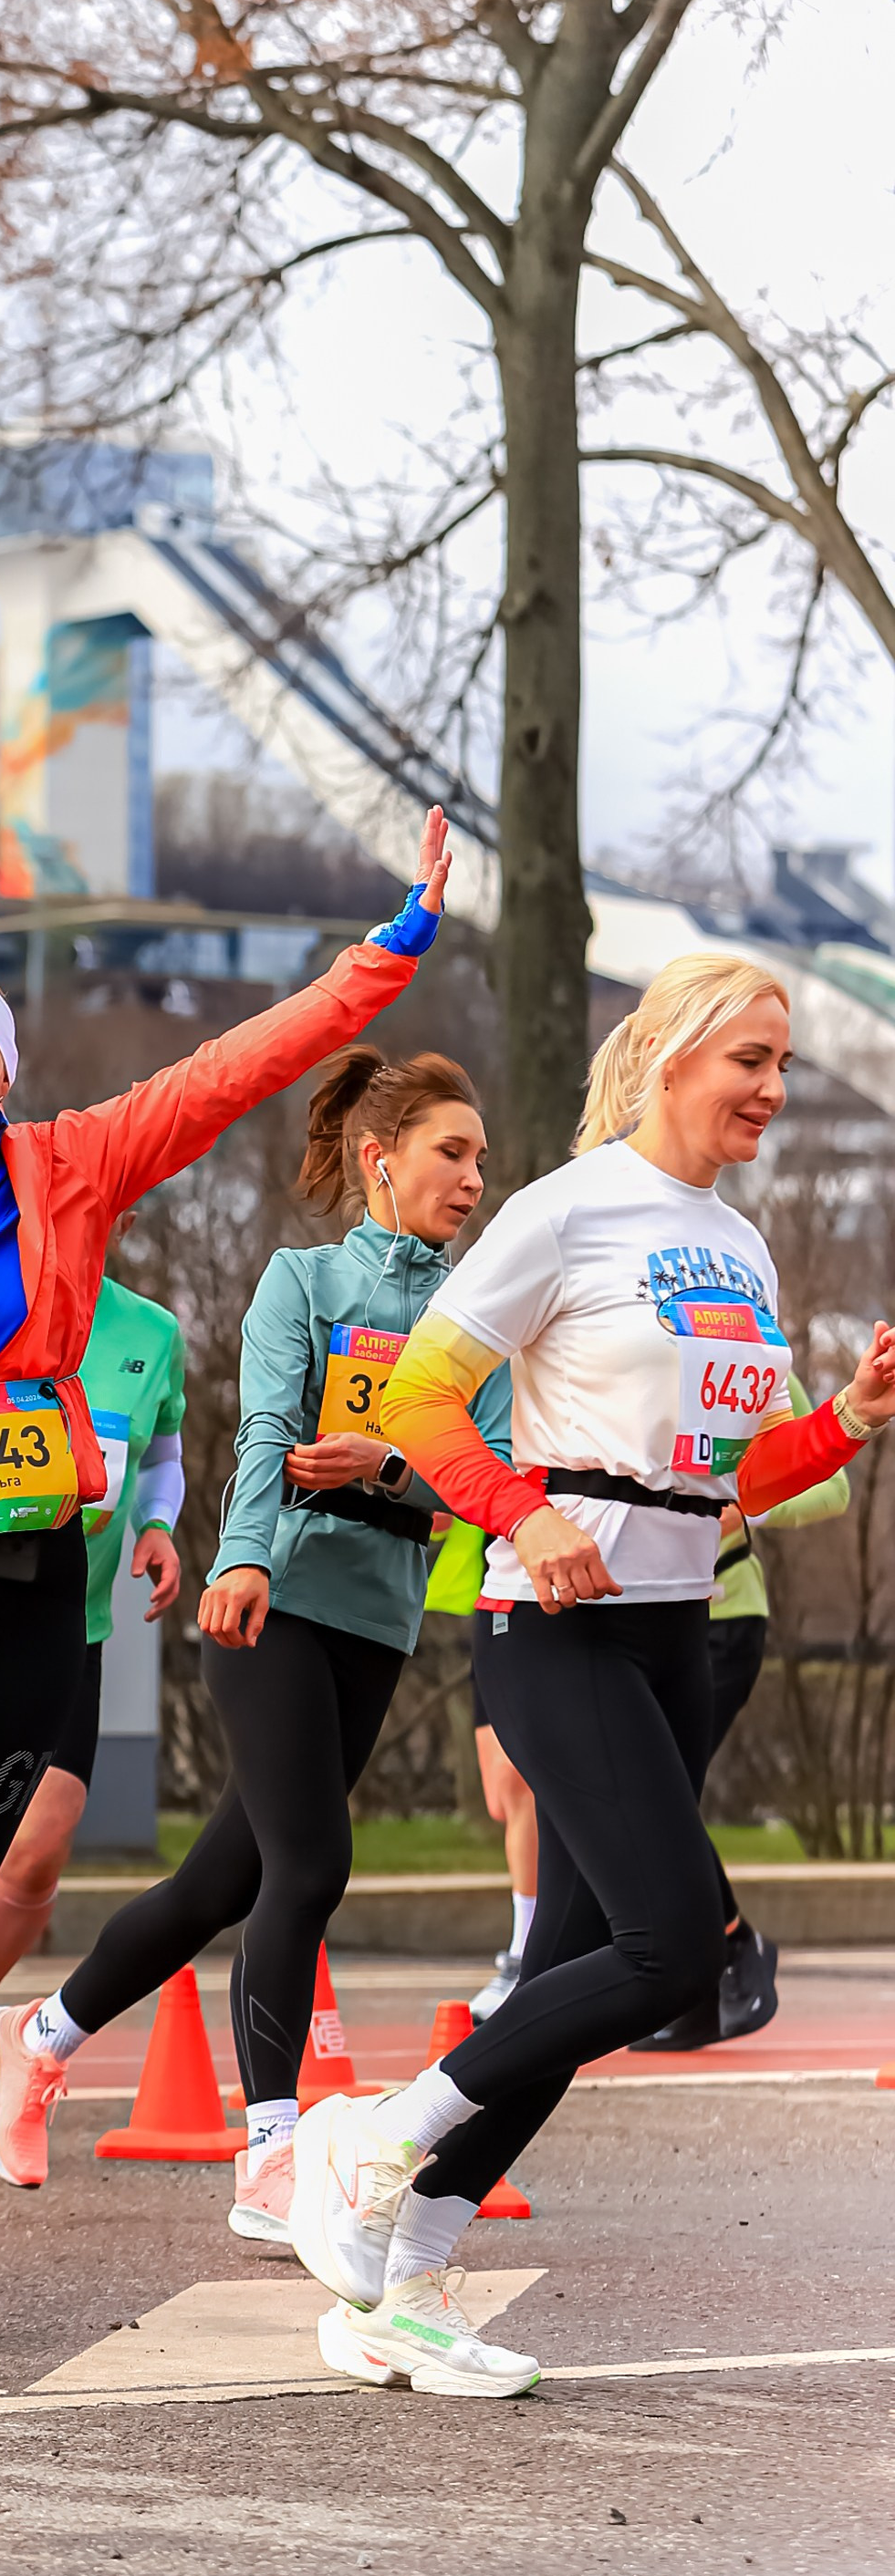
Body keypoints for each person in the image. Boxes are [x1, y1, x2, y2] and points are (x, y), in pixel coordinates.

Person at [0, 807, 453, 2318]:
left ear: (5, 1071)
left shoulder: (72, 1167)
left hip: (37, 1562)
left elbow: (231, 1070)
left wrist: (387, 955)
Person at [288, 955, 895, 2400]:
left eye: (786, 1064)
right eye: (752, 1056)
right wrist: (520, 1510)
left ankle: (410, 2293)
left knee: (573, 1964)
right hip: (549, 1624)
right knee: (672, 1950)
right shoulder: (563, 1210)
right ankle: (376, 2140)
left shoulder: (740, 1247)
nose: (771, 1087)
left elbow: (727, 1477)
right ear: (676, 1053)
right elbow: (425, 1397)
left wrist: (849, 1419)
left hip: (673, 1630)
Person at [0, 1047, 505, 2245]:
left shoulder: (475, 1321)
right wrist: (241, 1559)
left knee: (226, 1879)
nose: (473, 1178)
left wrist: (393, 1469)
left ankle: (37, 2035)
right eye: (451, 1153)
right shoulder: (303, 1284)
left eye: (481, 1159)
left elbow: (489, 1481)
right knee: (307, 1869)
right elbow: (265, 1428)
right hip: (274, 1606)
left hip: (378, 1619)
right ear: (382, 1162)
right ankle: (268, 2152)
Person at [0, 1220, 187, 2161]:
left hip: (71, 1623)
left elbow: (159, 1457)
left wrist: (154, 1526)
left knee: (37, 1850)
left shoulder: (148, 1330)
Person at [630, 1369, 848, 2050]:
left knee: (656, 1792)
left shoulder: (754, 1358)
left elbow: (832, 1488)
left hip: (722, 1616)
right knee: (641, 1793)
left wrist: (742, 1503)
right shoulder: (619, 1340)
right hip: (640, 1616)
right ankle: (695, 1987)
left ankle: (734, 1946)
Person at [420, 1520, 538, 2024]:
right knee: (502, 1798)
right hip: (495, 1597)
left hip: (551, 1597)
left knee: (522, 1787)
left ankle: (526, 1958)